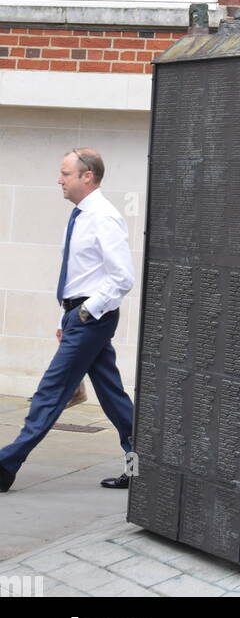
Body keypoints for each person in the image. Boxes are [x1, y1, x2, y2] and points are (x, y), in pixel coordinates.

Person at [0, 149, 135, 493]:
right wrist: (69, 316)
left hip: (92, 317)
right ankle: (143, 468)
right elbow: (83, 275)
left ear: (86, 176)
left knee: (50, 392)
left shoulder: (103, 217)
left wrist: (85, 312)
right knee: (113, 396)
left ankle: (5, 465)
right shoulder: (81, 215)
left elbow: (122, 277)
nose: (59, 180)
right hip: (81, 317)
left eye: (65, 174)